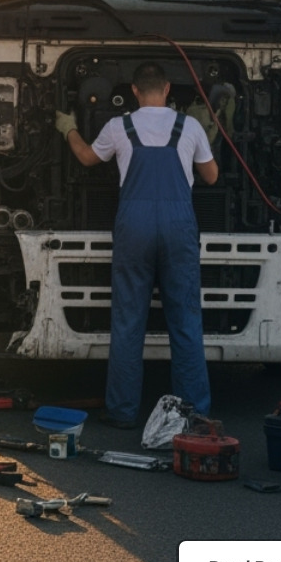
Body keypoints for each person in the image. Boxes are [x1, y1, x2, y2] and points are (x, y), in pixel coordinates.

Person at [56, 62, 219, 429]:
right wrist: (208, 130)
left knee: (129, 322)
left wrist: (68, 129)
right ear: (166, 90)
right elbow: (210, 176)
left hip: (135, 228)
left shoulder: (119, 126)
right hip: (178, 228)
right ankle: (192, 414)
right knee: (185, 323)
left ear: (134, 91)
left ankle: (122, 411)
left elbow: (86, 158)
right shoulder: (188, 126)